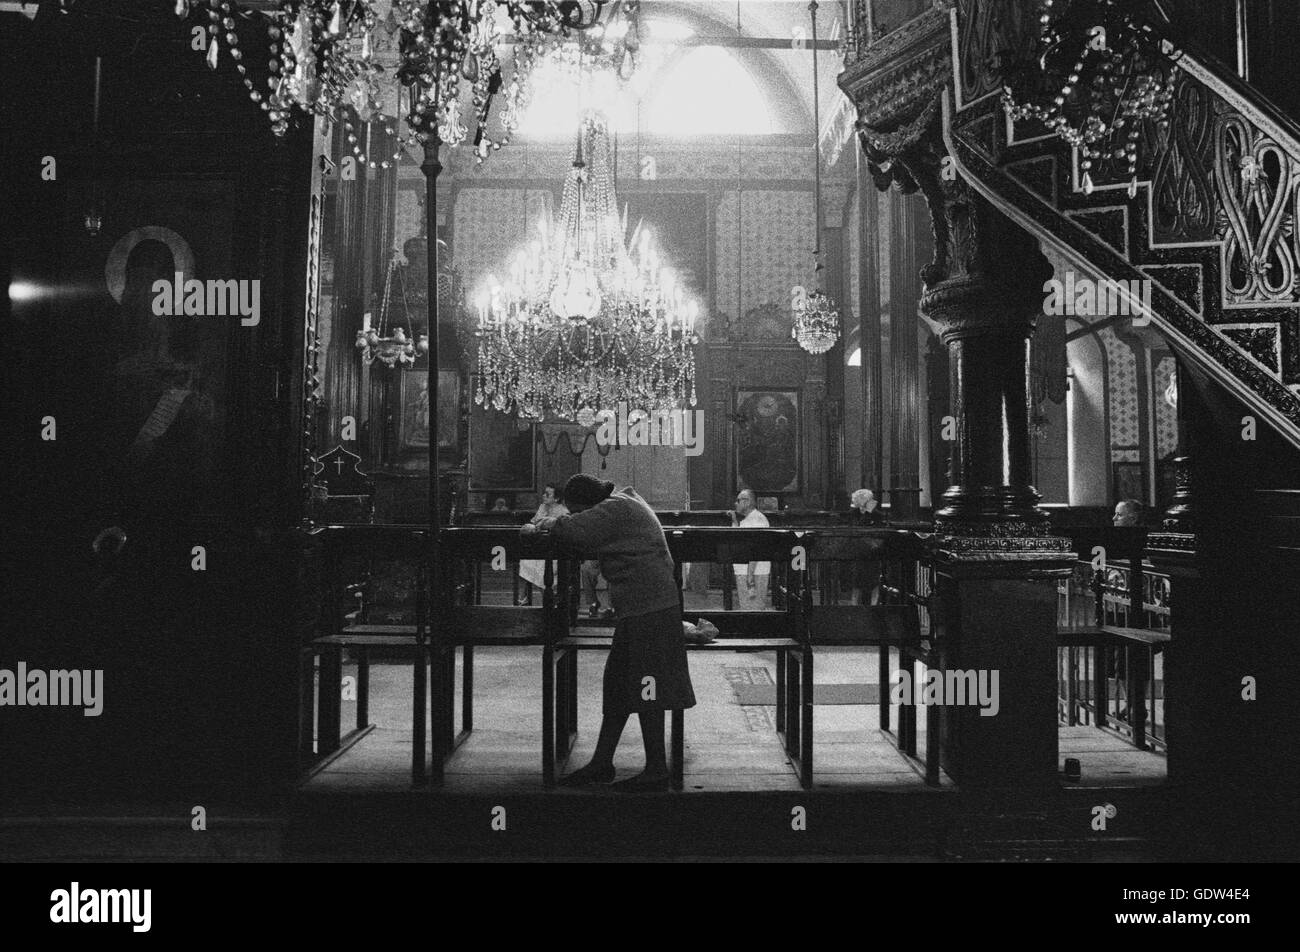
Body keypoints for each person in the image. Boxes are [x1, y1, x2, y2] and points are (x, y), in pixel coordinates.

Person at [523, 473, 695, 791]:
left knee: (649, 687)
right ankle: (602, 762)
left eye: (577, 509)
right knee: (618, 685)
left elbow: (572, 530)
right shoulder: (622, 502)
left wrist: (547, 523)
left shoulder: (615, 509)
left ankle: (657, 768)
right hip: (643, 606)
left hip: (650, 607)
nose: (576, 515)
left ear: (588, 504)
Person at [517, 484, 568, 606]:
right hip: (541, 548)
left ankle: (550, 599)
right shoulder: (542, 507)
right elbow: (534, 523)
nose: (544, 496)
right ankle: (522, 599)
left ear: (556, 499)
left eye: (547, 494)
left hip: (556, 552)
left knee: (543, 569)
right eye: (544, 493)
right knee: (525, 562)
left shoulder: (563, 512)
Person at [731, 489, 770, 610]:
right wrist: (734, 521)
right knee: (747, 608)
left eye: (738, 500)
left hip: (753, 573)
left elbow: (755, 549)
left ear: (747, 502)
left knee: (753, 610)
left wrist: (750, 577)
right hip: (747, 571)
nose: (735, 503)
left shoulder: (756, 520)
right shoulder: (750, 519)